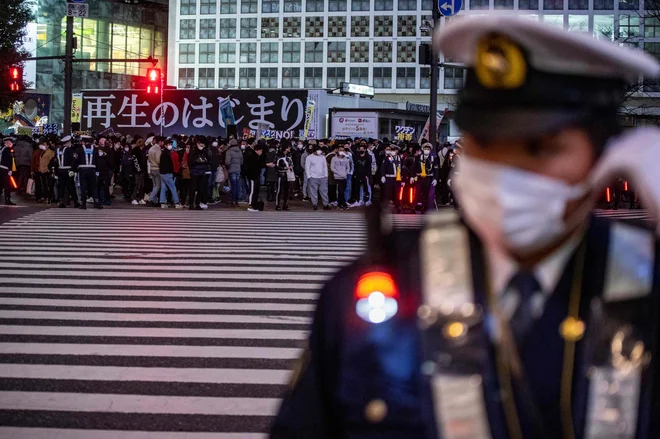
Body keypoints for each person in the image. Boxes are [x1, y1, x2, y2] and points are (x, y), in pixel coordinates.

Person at [271, 15, 660, 438]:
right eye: (485, 143)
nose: (506, 174)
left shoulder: (647, 281)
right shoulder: (374, 287)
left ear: (605, 155)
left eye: (540, 148)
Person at [76, 137, 102, 209]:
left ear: (83, 142)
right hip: (92, 170)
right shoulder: (95, 149)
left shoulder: (80, 149)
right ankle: (96, 202)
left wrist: (74, 169)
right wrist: (98, 170)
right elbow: (98, 161)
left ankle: (83, 204)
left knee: (83, 187)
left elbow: (76, 160)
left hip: (83, 170)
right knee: (94, 187)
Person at [55, 135, 79, 208]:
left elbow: (55, 162)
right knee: (71, 186)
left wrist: (56, 172)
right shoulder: (69, 150)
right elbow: (73, 161)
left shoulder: (58, 150)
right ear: (67, 142)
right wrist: (74, 170)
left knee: (61, 187)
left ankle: (60, 201)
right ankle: (76, 202)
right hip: (68, 170)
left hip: (60, 170)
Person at [188, 137, 211, 210]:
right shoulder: (193, 152)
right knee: (193, 188)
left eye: (202, 144)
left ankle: (198, 204)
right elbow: (190, 162)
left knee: (201, 189)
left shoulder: (205, 152)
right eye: (200, 143)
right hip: (194, 172)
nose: (201, 145)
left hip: (202, 172)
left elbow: (208, 161)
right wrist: (197, 161)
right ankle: (191, 204)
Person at [159, 139, 183, 209]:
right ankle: (177, 203)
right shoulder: (167, 154)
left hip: (162, 173)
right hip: (167, 173)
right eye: (169, 144)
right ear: (165, 145)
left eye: (171, 144)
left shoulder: (164, 153)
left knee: (163, 187)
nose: (170, 146)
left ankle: (162, 202)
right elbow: (168, 165)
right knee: (173, 187)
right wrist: (172, 172)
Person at [305, 146, 330, 211]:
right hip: (313, 177)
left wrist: (326, 176)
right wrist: (309, 177)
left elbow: (325, 167)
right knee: (313, 192)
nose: (319, 151)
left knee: (324, 191)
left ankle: (325, 204)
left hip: (323, 177)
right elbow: (307, 168)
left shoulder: (323, 157)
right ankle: (315, 204)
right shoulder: (309, 158)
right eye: (318, 150)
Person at [415, 143, 438, 212]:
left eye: (428, 149)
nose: (426, 150)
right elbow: (414, 168)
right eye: (425, 149)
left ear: (430, 150)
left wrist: (435, 179)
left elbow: (436, 169)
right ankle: (417, 206)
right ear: (423, 149)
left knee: (426, 193)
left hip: (428, 178)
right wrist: (412, 176)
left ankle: (424, 208)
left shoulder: (433, 158)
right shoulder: (418, 157)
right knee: (418, 192)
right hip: (420, 178)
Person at [244, 143, 265, 212]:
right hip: (252, 177)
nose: (261, 153)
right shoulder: (252, 157)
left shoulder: (257, 157)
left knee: (256, 191)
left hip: (256, 176)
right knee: (252, 191)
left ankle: (254, 204)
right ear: (256, 150)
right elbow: (252, 167)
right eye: (260, 151)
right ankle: (251, 205)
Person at [275, 143, 294, 211]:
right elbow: (277, 166)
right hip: (281, 175)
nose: (289, 149)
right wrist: (286, 168)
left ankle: (285, 204)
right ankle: (278, 204)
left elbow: (291, 164)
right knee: (279, 190)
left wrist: (290, 167)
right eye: (288, 147)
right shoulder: (279, 156)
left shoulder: (289, 156)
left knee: (286, 190)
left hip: (288, 175)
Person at [37, 138, 55, 205]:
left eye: (44, 144)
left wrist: (48, 168)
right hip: (42, 170)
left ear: (48, 145)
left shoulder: (50, 152)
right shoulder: (43, 152)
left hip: (47, 171)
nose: (43, 146)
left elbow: (52, 161)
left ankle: (49, 197)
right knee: (43, 185)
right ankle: (45, 196)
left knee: (48, 185)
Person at [225, 138, 243, 206]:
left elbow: (227, 162)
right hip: (238, 169)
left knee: (233, 185)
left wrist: (228, 167)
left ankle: (233, 200)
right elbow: (241, 161)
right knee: (237, 185)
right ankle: (237, 200)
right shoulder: (240, 151)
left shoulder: (229, 151)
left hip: (231, 170)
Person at [147, 136, 163, 205]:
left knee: (154, 185)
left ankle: (154, 200)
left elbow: (149, 159)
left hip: (151, 168)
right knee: (158, 185)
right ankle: (151, 199)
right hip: (157, 169)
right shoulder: (158, 149)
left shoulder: (151, 148)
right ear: (160, 142)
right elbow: (158, 160)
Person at [131, 139, 147, 205]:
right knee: (137, 185)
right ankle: (133, 198)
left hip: (142, 170)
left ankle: (140, 198)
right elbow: (135, 161)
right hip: (137, 171)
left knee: (141, 185)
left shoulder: (141, 151)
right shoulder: (135, 151)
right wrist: (139, 169)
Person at [0, 137, 16, 205]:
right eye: (11, 142)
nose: (12, 144)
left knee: (1, 184)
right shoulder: (7, 150)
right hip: (5, 169)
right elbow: (8, 161)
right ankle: (7, 199)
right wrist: (10, 170)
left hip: (1, 168)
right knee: (7, 185)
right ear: (7, 143)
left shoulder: (2, 149)